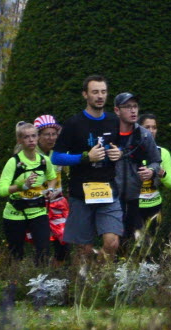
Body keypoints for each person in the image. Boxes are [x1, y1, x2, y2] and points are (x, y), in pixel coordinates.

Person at [50, 75, 124, 261]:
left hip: (108, 190)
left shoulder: (114, 121)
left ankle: (101, 281)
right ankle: (86, 284)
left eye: (103, 92)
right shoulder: (74, 123)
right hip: (81, 193)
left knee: (112, 242)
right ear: (85, 95)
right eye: (95, 92)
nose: (100, 96)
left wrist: (120, 153)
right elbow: (56, 157)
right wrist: (85, 157)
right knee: (84, 250)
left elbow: (124, 146)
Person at [0, 121, 58, 262]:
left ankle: (40, 281)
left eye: (33, 136)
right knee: (16, 255)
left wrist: (50, 189)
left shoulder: (44, 160)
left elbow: (52, 177)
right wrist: (21, 187)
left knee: (43, 251)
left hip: (38, 211)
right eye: (26, 137)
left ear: (38, 138)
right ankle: (16, 282)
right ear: (20, 140)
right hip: (15, 214)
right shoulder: (13, 162)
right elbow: (1, 190)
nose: (31, 140)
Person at [111, 92, 163, 242]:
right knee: (113, 238)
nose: (133, 110)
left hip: (135, 196)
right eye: (127, 107)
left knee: (133, 237)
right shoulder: (109, 133)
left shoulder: (144, 135)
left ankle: (130, 264)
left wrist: (151, 171)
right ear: (117, 110)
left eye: (135, 106)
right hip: (112, 195)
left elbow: (156, 161)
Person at [34, 115, 68, 263]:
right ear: (38, 136)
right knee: (42, 245)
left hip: (58, 203)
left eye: (54, 134)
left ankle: (62, 274)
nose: (51, 138)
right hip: (37, 204)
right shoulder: (29, 154)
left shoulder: (59, 153)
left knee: (64, 242)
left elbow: (69, 172)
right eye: (47, 134)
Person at [136, 113, 171, 234]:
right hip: (134, 206)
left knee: (151, 246)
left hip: (154, 206)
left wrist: (161, 173)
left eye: (154, 127)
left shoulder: (162, 152)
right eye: (147, 127)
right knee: (135, 244)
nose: (151, 131)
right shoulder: (131, 150)